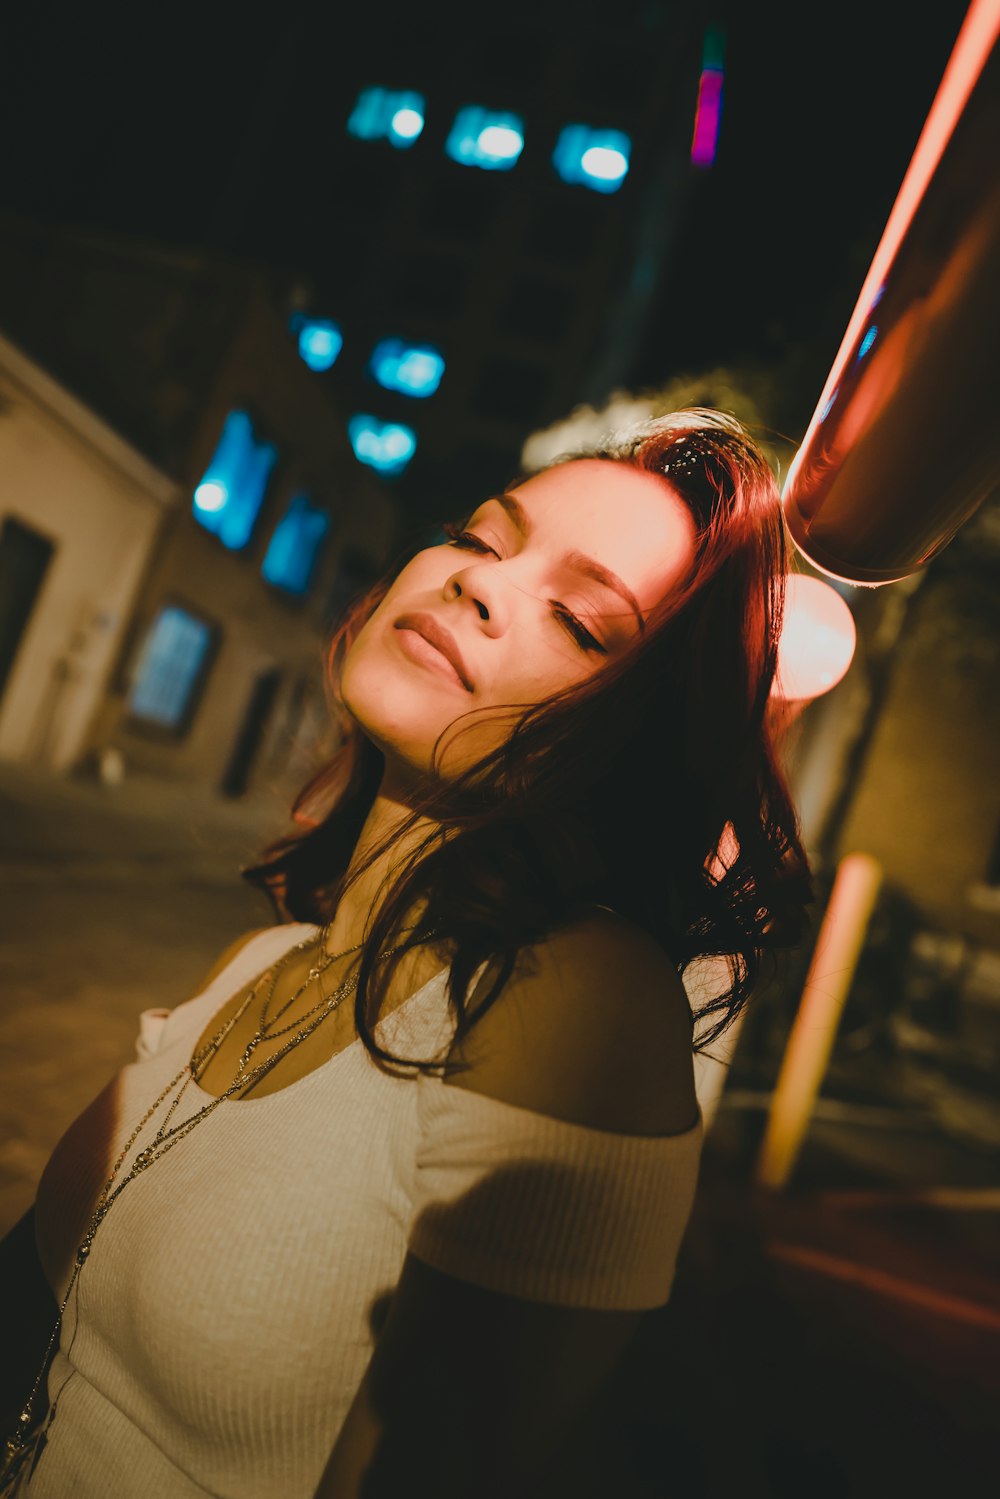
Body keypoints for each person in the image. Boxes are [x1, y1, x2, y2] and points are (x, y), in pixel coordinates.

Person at [2, 407, 812, 1498]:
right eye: (480, 538)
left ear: (639, 745)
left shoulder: (571, 998)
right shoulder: (259, 962)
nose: (477, 583)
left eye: (579, 619)